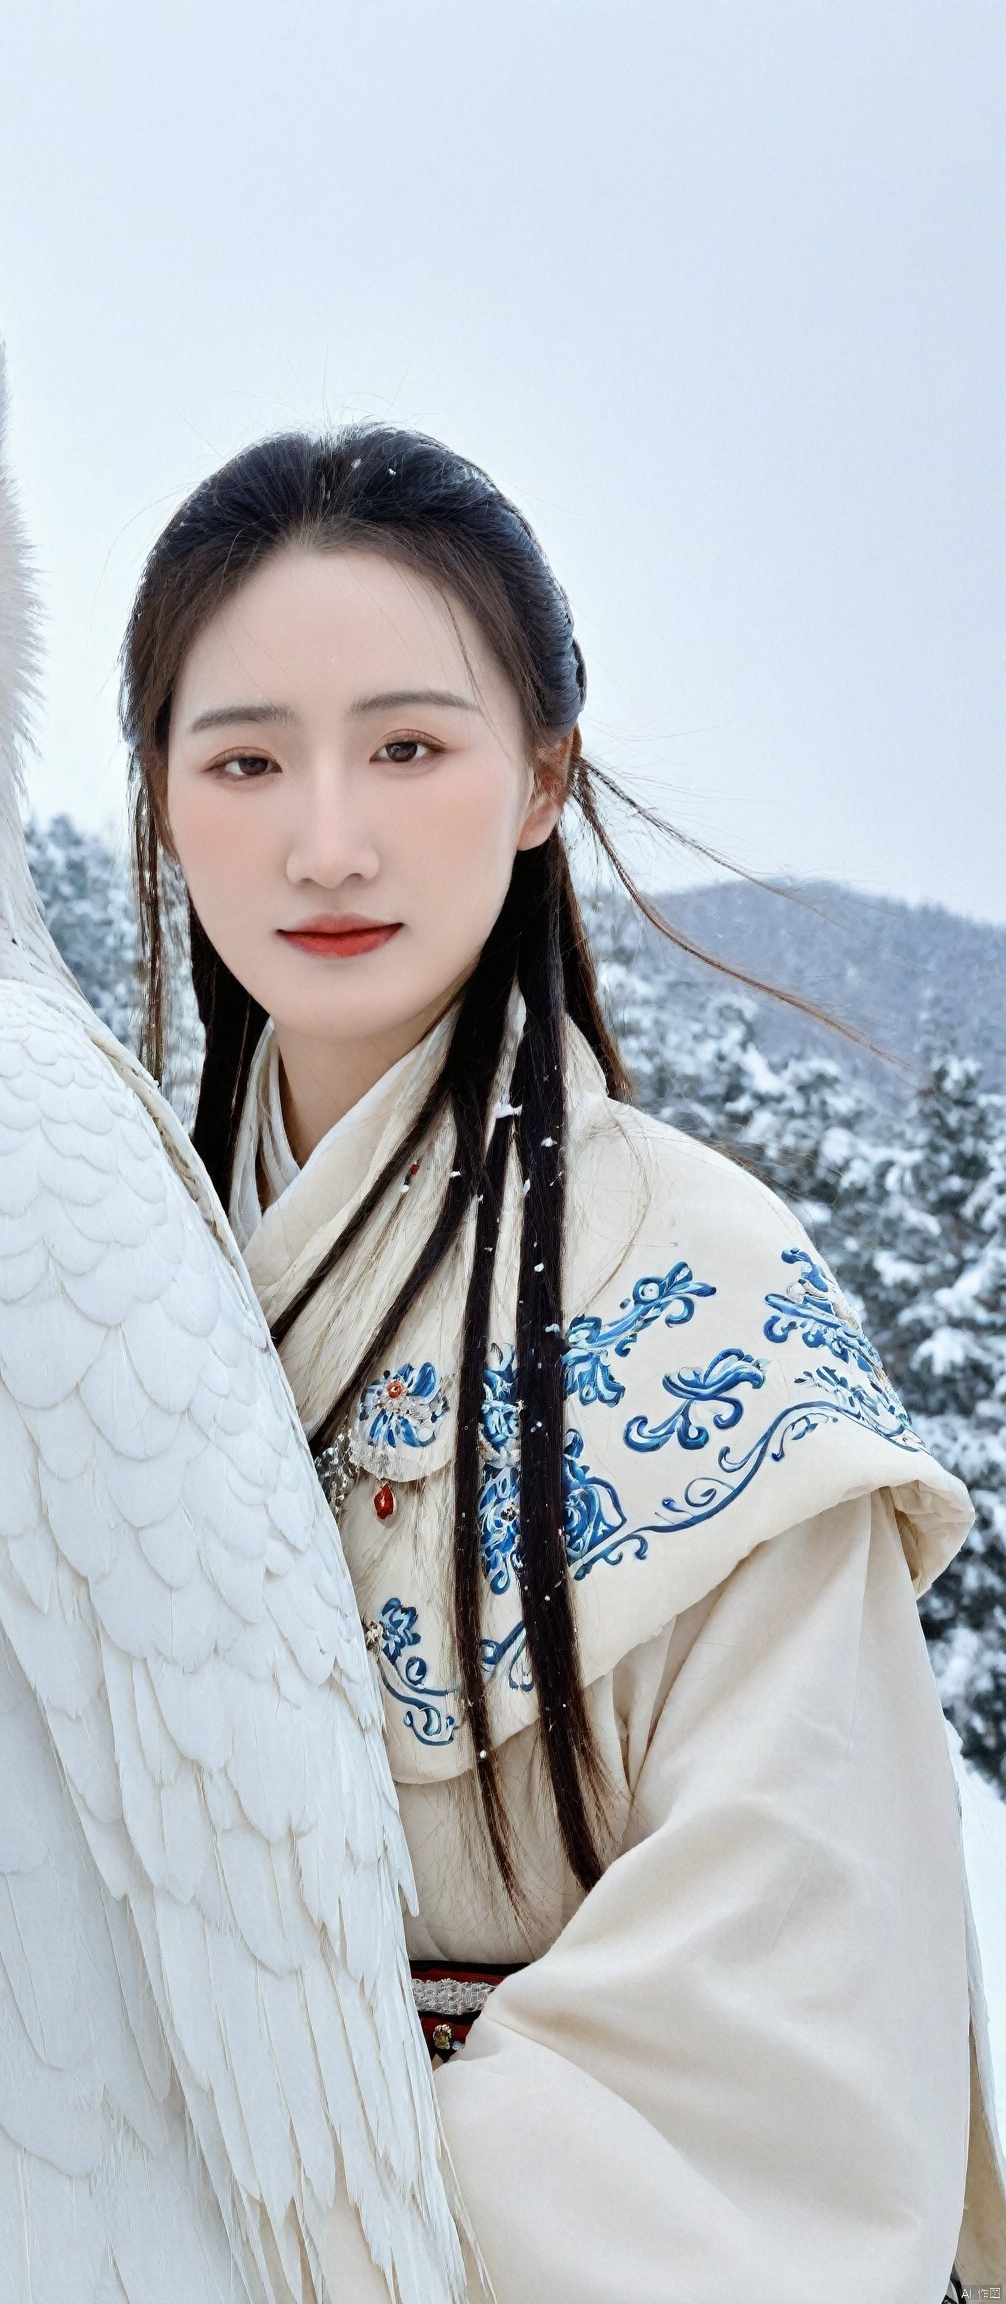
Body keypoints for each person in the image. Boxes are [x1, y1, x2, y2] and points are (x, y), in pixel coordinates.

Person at [118, 425, 1006, 2303]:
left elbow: (788, 2032)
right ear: (162, 803)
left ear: (540, 780)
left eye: (411, 747)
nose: (327, 838)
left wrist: (280, 2229)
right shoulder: (94, 1278)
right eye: (247, 759)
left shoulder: (702, 1288)